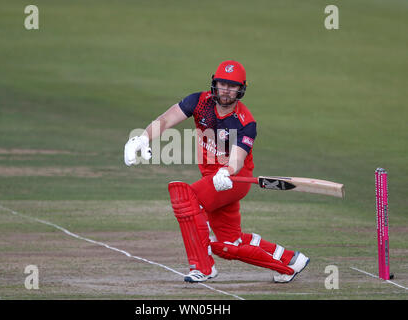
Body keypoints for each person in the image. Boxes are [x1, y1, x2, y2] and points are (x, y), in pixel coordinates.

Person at [124, 60, 309, 283]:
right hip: (212, 178)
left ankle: (203, 267)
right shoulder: (199, 101)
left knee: (186, 197)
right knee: (230, 243)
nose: (226, 90)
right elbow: (166, 120)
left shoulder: (245, 122)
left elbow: (239, 157)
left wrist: (227, 171)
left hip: (234, 179)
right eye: (222, 84)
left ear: (241, 89)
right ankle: (290, 261)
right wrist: (142, 138)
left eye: (232, 86)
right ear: (214, 83)